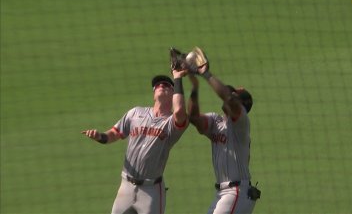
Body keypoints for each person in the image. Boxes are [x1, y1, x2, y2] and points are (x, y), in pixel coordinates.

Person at [81, 69, 188, 214]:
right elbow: (114, 133)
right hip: (126, 186)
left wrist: (177, 78)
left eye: (166, 85)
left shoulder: (171, 124)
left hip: (151, 192)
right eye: (157, 85)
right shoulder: (135, 113)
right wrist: (100, 136)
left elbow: (180, 111)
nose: (161, 86)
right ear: (153, 93)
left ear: (173, 94)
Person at [187, 55, 260, 213]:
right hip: (222, 193)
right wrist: (194, 86)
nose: (228, 98)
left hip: (237, 192)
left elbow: (227, 97)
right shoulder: (216, 122)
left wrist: (206, 73)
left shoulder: (241, 123)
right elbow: (193, 118)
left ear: (242, 106)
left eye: (233, 97)